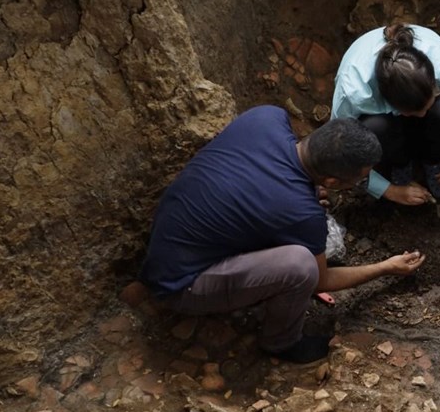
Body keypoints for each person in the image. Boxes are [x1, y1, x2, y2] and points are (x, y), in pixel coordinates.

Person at [139, 106, 425, 363]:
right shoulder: (304, 214)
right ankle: (282, 342)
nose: (360, 183)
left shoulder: (266, 117)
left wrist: (308, 191)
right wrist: (385, 267)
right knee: (300, 266)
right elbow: (320, 280)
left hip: (169, 242)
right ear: (332, 182)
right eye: (358, 179)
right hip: (180, 284)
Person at [332, 23, 440, 205]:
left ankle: (433, 159)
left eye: (427, 107)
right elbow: (340, 151)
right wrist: (389, 191)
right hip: (384, 123)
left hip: (433, 114)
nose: (423, 115)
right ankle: (399, 165)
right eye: (413, 112)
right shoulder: (353, 91)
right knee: (375, 127)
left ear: (434, 82)